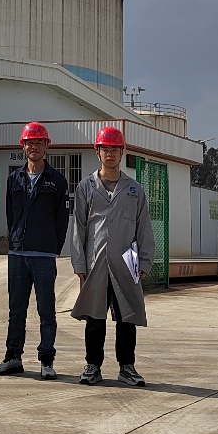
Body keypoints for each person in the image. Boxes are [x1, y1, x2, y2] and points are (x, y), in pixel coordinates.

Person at [67, 125, 155, 387]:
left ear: (121, 152)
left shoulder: (134, 189)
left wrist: (145, 260)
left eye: (115, 149)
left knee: (127, 317)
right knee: (95, 317)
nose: (110, 154)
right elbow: (79, 227)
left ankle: (127, 367)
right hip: (95, 261)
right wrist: (79, 263)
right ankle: (92, 366)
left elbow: (144, 227)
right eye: (105, 149)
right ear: (97, 152)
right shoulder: (85, 187)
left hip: (127, 261)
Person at [0, 122, 70, 380]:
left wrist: (52, 248)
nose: (34, 146)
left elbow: (62, 220)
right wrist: (15, 241)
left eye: (39, 142)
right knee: (16, 310)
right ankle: (13, 357)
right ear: (23, 146)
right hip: (18, 255)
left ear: (47, 146)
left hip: (44, 256)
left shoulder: (57, 181)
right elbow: (10, 214)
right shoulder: (13, 179)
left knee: (46, 310)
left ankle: (46, 359)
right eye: (30, 142)